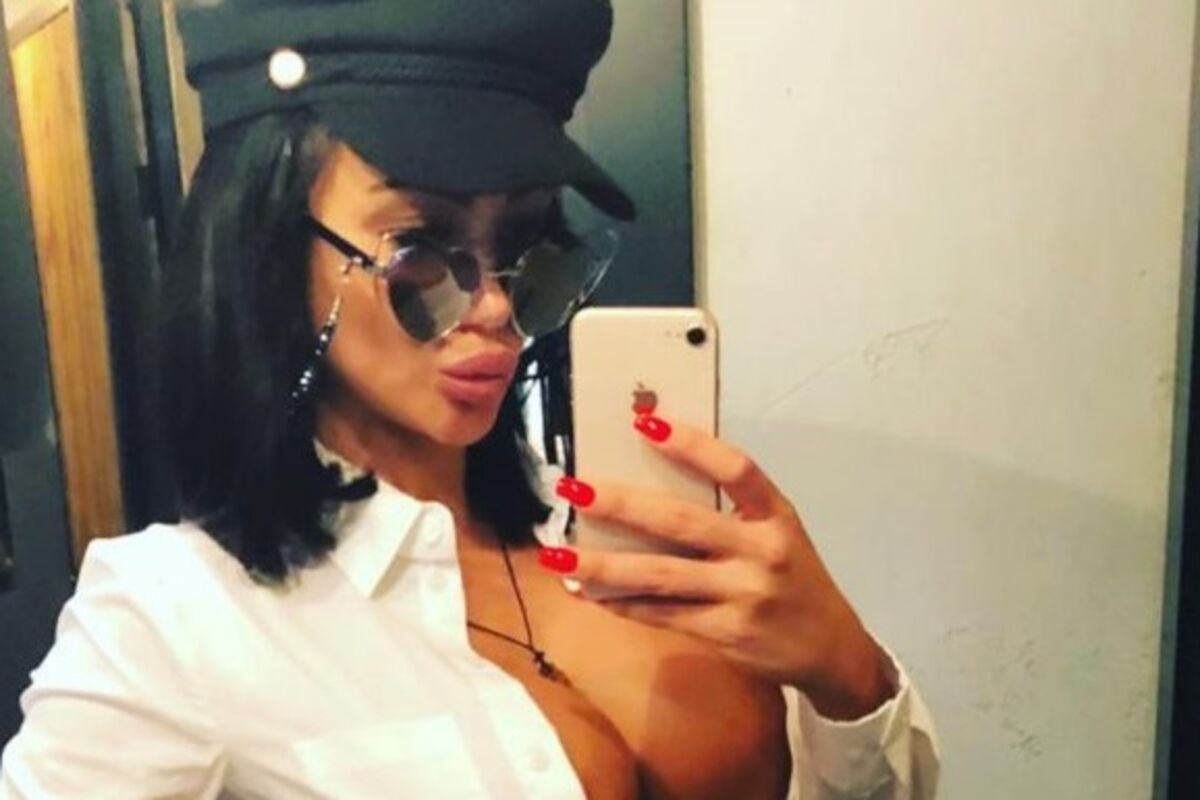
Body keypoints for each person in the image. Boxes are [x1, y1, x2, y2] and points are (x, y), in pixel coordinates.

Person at [0, 1, 939, 797]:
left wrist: (846, 677)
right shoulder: (173, 623)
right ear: (271, 246)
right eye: (420, 247)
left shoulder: (633, 546)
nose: (494, 307)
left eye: (529, 248)